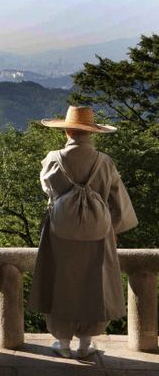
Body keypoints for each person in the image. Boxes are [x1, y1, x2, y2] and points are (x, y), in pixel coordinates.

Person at [28, 106, 138, 359]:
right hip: (97, 231)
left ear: (66, 130)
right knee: (94, 281)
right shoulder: (104, 161)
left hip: (60, 232)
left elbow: (48, 189)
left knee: (60, 280)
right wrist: (115, 228)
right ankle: (86, 342)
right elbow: (117, 199)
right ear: (92, 133)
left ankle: (63, 342)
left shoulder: (52, 158)